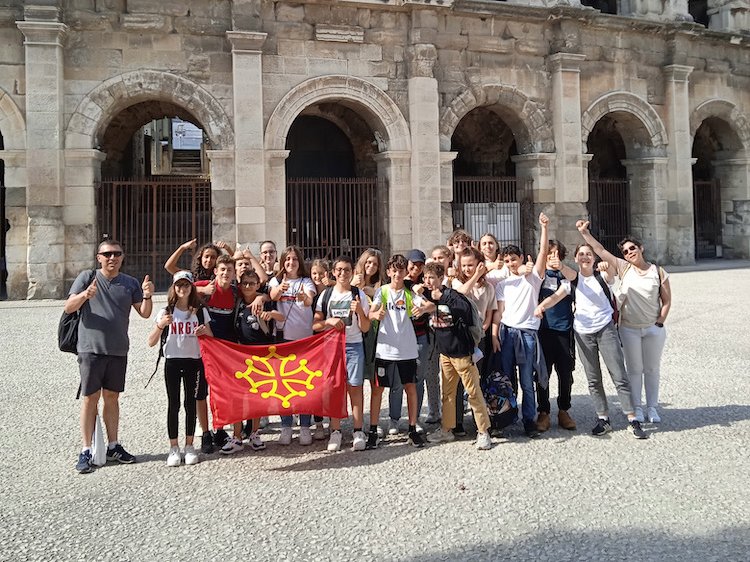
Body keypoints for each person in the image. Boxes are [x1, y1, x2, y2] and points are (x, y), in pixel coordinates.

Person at [534, 245, 648, 439]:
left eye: (588, 254)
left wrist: (606, 266)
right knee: (593, 379)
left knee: (618, 374)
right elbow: (554, 297)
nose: (585, 257)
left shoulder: (602, 276)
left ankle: (632, 418)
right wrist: (540, 307)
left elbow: (612, 273)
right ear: (576, 259)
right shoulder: (571, 282)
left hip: (605, 329)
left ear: (593, 258)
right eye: (581, 254)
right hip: (583, 332)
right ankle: (603, 418)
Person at [66, 239, 154, 474]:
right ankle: (86, 449)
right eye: (107, 254)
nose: (112, 258)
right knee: (90, 398)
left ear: (122, 257)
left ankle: (113, 445)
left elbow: (145, 314)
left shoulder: (130, 283)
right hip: (90, 348)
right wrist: (86, 294)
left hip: (117, 349)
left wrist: (147, 295)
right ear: (99, 257)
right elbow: (69, 307)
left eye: (116, 254)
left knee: (112, 397)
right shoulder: (87, 277)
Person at [576, 221, 671, 423]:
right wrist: (585, 233)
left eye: (632, 248)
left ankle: (652, 407)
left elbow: (667, 299)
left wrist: (660, 322)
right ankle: (636, 407)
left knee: (652, 369)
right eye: (626, 251)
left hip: (653, 327)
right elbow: (600, 250)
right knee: (634, 369)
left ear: (641, 248)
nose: (629, 253)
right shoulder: (624, 267)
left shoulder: (658, 271)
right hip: (629, 328)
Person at [421, 262, 493, 450]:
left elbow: (465, 311)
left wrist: (443, 296)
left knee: (473, 393)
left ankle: (483, 431)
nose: (428, 282)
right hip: (445, 353)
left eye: (432, 278)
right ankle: (446, 429)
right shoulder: (427, 295)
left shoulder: (451, 295)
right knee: (448, 394)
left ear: (440, 278)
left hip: (462, 352)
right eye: (425, 278)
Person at [491, 213, 550, 439]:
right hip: (507, 332)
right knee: (505, 379)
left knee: (527, 380)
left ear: (521, 258)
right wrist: (495, 334)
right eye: (506, 261)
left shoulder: (532, 278)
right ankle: (505, 419)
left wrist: (543, 227)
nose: (510, 264)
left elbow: (543, 254)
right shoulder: (503, 284)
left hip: (527, 333)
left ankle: (529, 421)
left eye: (513, 259)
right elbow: (499, 312)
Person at [147, 271, 213, 466]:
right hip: (173, 361)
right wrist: (160, 326)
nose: (182, 289)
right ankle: (173, 447)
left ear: (192, 287)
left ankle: (190, 445)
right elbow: (151, 342)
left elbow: (211, 337)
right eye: (178, 285)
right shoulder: (166, 311)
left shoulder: (200, 311)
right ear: (174, 288)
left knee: (190, 403)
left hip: (194, 361)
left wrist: (203, 331)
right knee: (173, 404)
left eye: (186, 285)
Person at [221, 270, 285, 454]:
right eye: (245, 283)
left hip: (261, 358)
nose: (248, 286)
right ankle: (237, 436)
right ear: (240, 285)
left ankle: (255, 433)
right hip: (240, 357)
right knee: (238, 398)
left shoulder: (264, 303)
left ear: (257, 285)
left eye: (252, 283)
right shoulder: (239, 302)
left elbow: (282, 317)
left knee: (258, 398)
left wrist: (269, 315)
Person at [366, 254, 426, 449]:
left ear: (405, 272)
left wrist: (421, 310)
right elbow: (371, 312)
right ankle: (373, 430)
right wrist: (375, 314)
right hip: (385, 350)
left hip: (407, 350)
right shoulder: (382, 291)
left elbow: (424, 306)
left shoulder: (410, 291)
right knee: (377, 390)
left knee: (410, 388)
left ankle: (411, 429)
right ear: (389, 272)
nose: (398, 274)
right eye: (394, 270)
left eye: (401, 270)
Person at [313, 255, 371, 451]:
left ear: (352, 272)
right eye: (339, 270)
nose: (343, 273)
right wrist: (328, 322)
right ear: (333, 273)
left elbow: (365, 328)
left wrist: (360, 312)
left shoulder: (359, 295)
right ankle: (335, 431)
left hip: (354, 345)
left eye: (347, 270)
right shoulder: (326, 295)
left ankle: (357, 430)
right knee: (333, 389)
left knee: (355, 387)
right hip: (332, 347)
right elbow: (316, 324)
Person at [268, 245, 317, 445]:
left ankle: (305, 425)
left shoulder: (306, 281)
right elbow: (272, 296)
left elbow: (309, 299)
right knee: (282, 384)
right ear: (282, 262)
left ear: (300, 262)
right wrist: (279, 290)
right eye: (287, 259)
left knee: (303, 383)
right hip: (282, 338)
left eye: (294, 259)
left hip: (304, 338)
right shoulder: (276, 280)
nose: (291, 262)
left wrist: (304, 297)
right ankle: (286, 425)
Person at [451, 246, 497, 435]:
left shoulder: (488, 287)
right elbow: (461, 292)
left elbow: (490, 311)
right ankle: (458, 422)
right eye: (464, 265)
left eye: (471, 265)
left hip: (481, 337)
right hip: (461, 338)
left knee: (479, 380)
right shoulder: (454, 282)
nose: (468, 269)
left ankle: (481, 421)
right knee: (460, 381)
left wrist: (486, 326)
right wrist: (474, 277)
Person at [194, 254, 238, 450]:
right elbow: (179, 289)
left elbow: (259, 290)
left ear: (234, 273)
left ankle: (219, 428)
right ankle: (205, 433)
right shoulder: (207, 286)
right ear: (215, 271)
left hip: (226, 351)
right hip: (205, 348)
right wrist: (202, 289)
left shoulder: (235, 293)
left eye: (229, 270)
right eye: (222, 270)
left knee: (222, 392)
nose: (226, 273)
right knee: (201, 392)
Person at [386, 249, 431, 435]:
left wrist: (426, 305)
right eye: (412, 265)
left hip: (420, 336)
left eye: (420, 265)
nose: (416, 269)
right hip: (400, 338)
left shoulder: (426, 285)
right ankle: (394, 419)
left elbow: (434, 302)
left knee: (417, 379)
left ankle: (415, 417)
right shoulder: (399, 284)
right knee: (396, 380)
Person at [535, 240, 578, 433]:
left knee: (565, 373)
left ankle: (563, 410)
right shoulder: (538, 275)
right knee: (542, 373)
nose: (552, 257)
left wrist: (560, 266)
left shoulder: (566, 274)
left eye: (555, 253)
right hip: (542, 330)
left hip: (563, 329)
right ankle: (543, 411)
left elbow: (570, 284)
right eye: (548, 253)